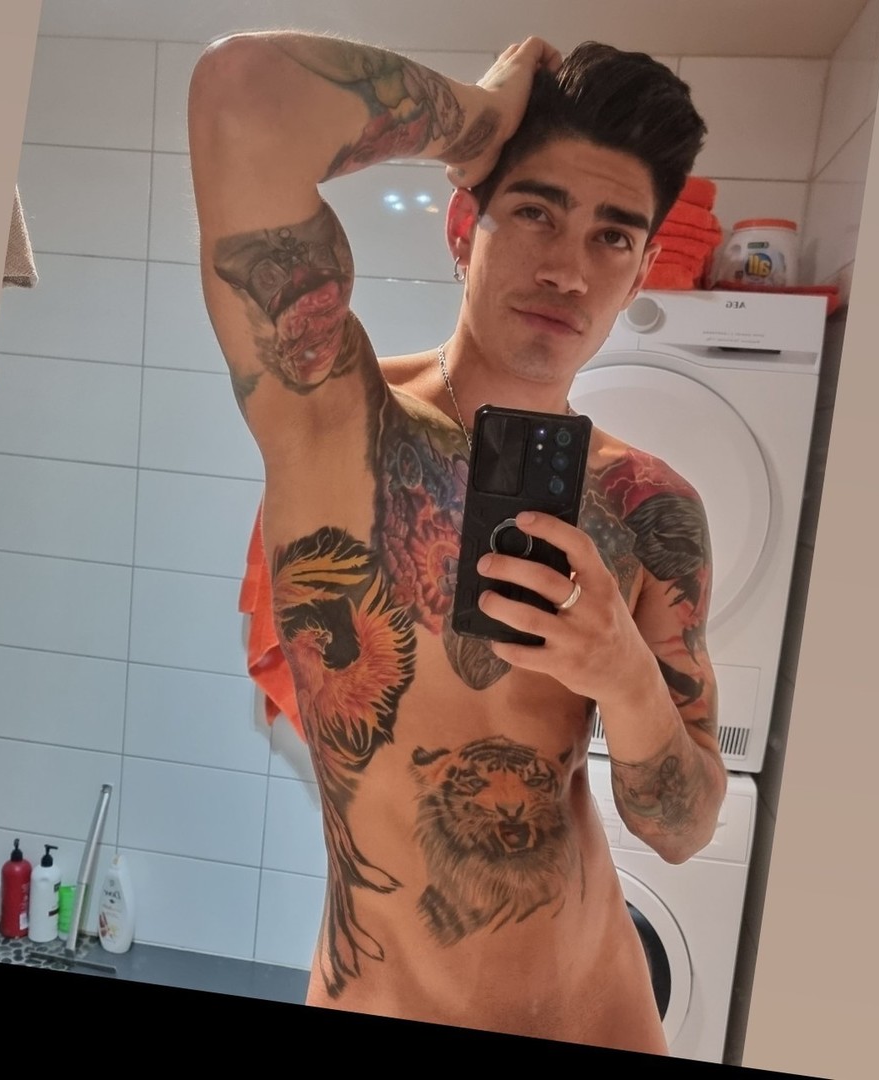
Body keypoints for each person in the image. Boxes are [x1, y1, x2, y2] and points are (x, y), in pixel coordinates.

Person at [188, 31, 727, 1055]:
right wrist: (477, 123)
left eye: (613, 237)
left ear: (642, 272)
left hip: (600, 1015)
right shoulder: (336, 424)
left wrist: (626, 679)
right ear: (461, 223)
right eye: (535, 212)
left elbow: (683, 826)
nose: (568, 269)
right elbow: (245, 95)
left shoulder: (650, 510)